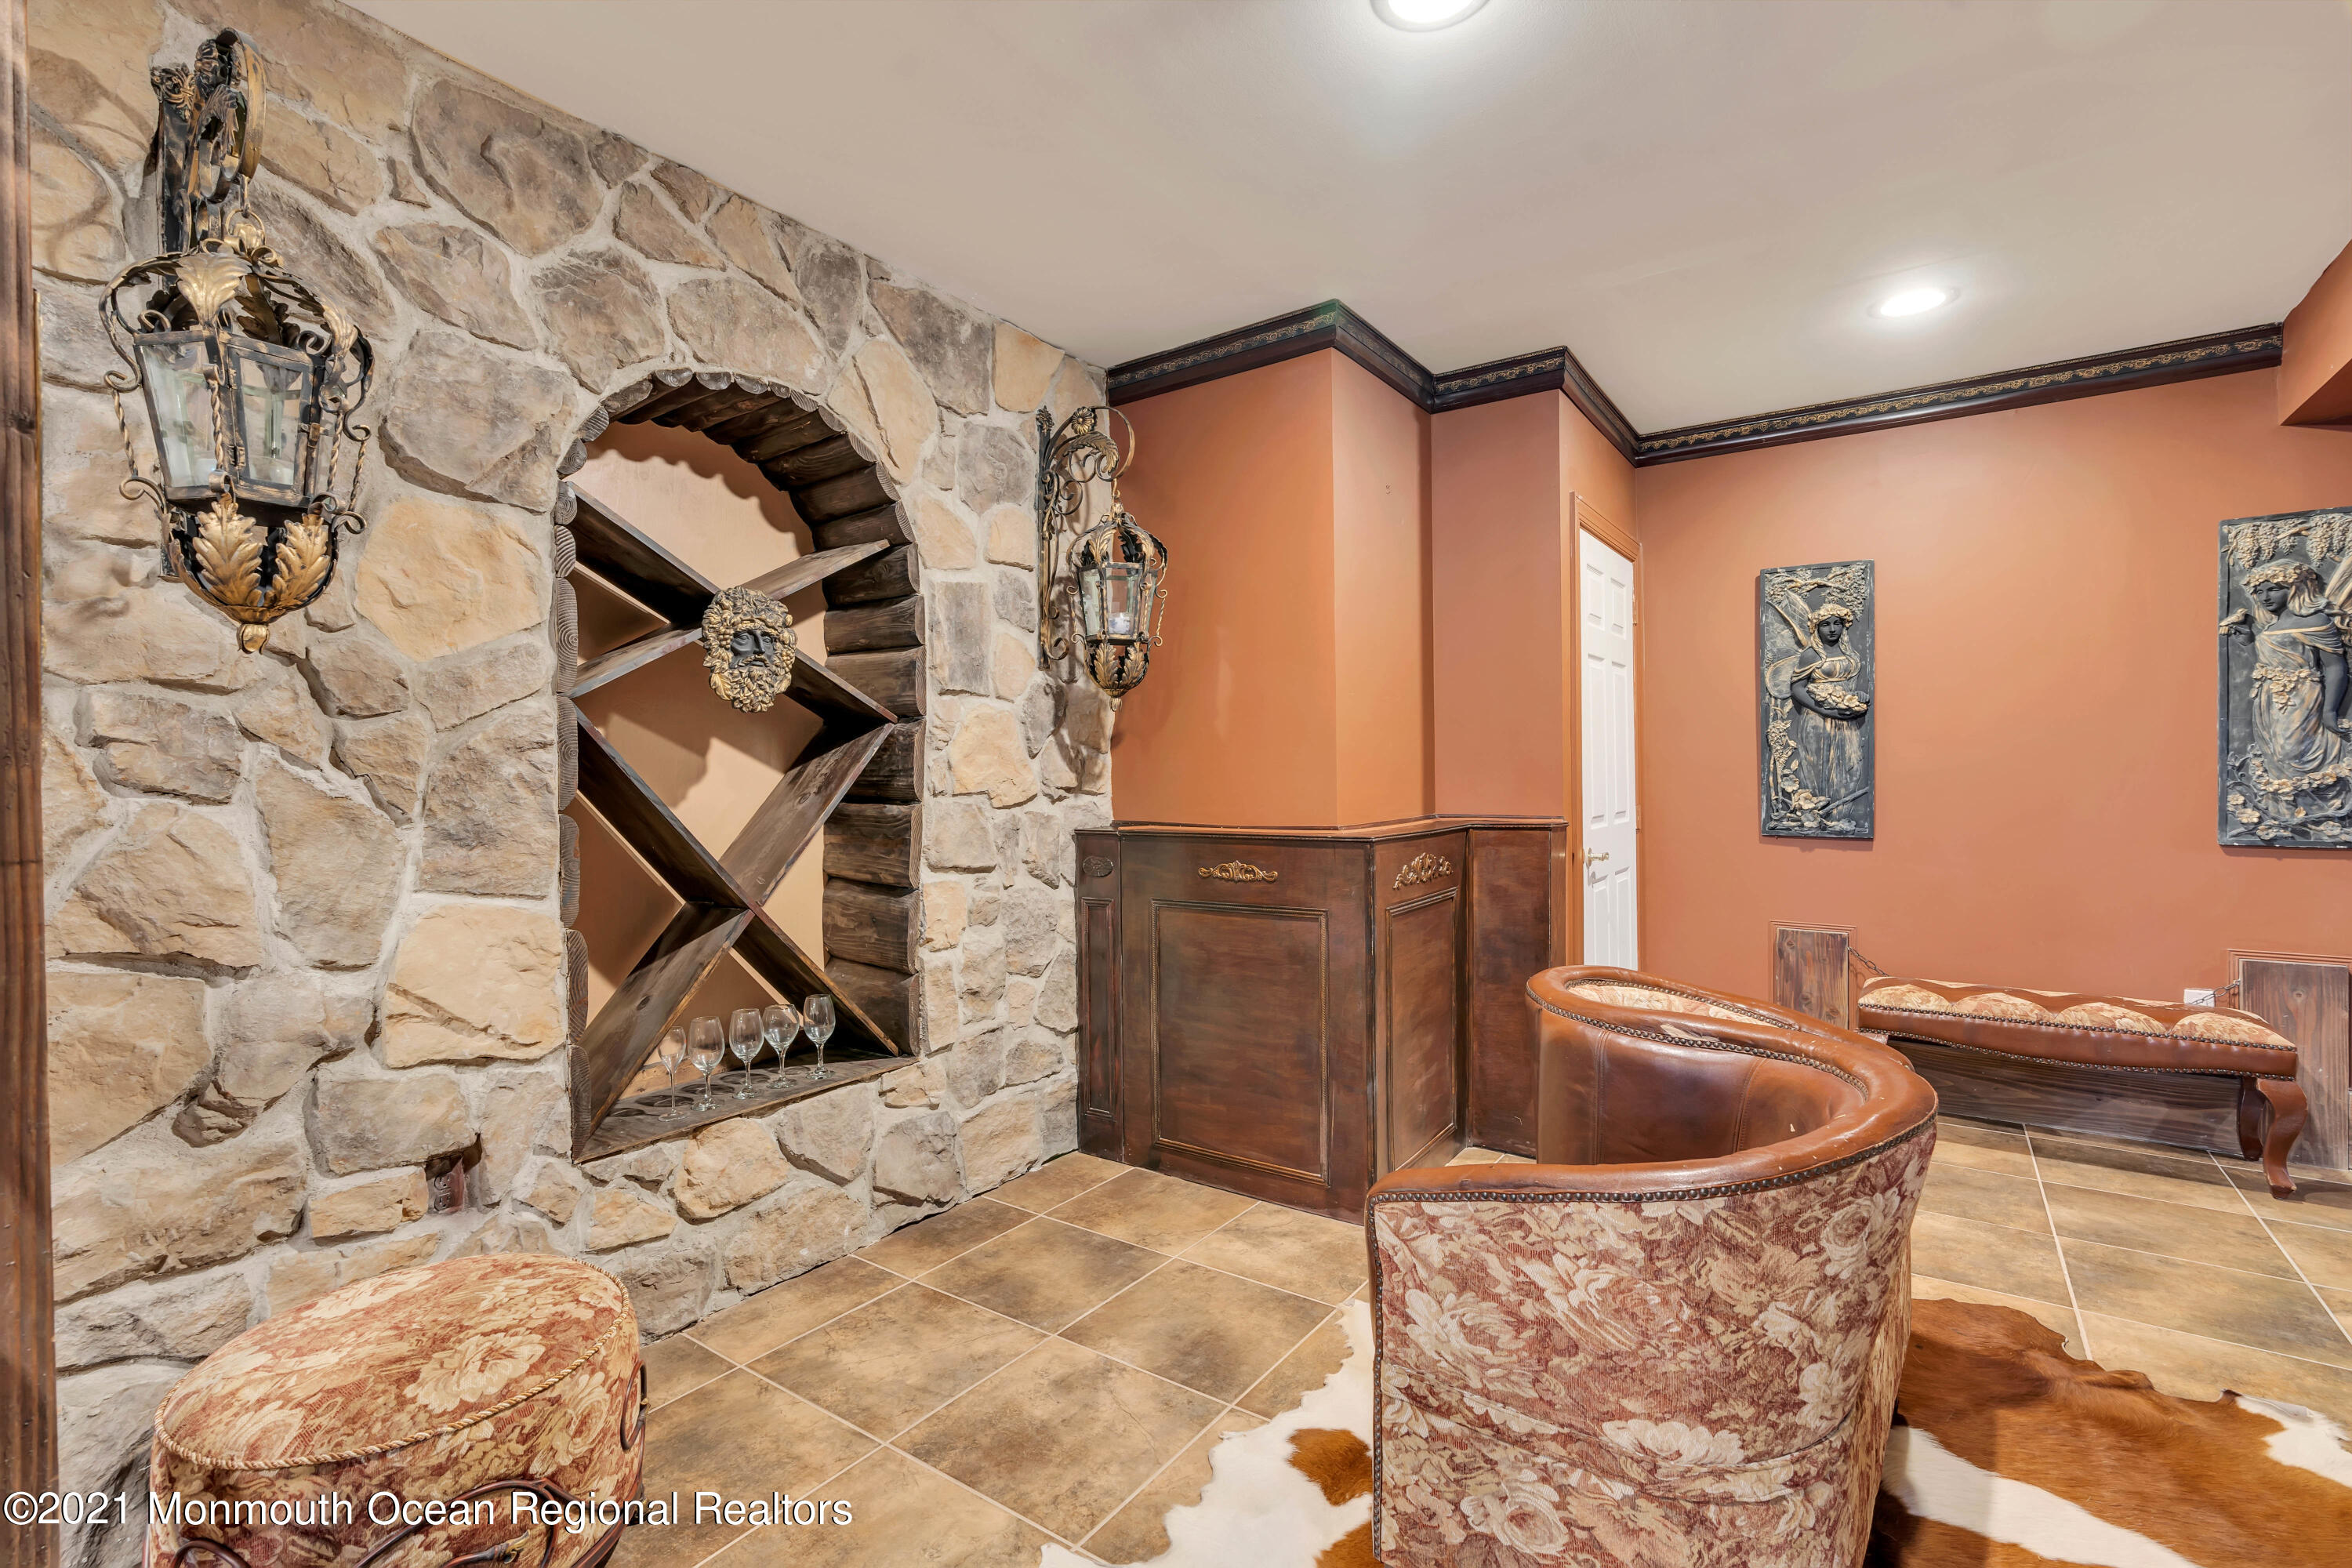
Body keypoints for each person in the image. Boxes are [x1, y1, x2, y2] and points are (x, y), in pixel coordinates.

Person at [2223, 559, 2350, 822]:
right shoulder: (2269, 627)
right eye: (2259, 591)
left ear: (2294, 587)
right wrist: (2249, 642)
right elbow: (2265, 664)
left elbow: (2336, 667)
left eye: (2273, 589)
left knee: (2292, 753)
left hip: (2300, 697)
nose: (2265, 597)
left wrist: (2330, 710)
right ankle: (2287, 814)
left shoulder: (2315, 620)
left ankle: (2319, 813)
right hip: (2267, 699)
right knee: (2273, 754)